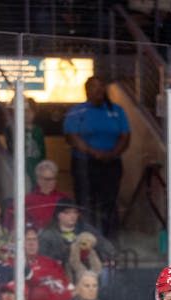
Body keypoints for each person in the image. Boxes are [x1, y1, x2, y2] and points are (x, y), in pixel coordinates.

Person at [64, 76, 130, 235]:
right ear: (87, 91)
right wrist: (94, 153)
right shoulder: (77, 111)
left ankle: (110, 243)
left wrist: (112, 153)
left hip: (111, 163)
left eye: (101, 87)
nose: (99, 90)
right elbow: (72, 136)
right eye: (94, 87)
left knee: (109, 203)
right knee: (86, 204)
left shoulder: (116, 110)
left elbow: (125, 136)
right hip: (85, 163)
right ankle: (87, 241)